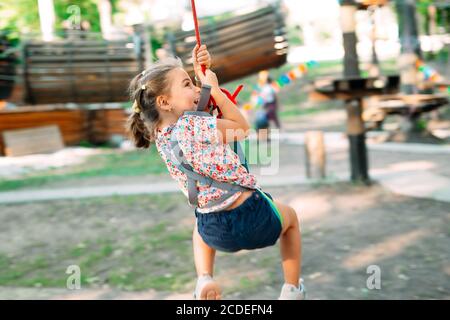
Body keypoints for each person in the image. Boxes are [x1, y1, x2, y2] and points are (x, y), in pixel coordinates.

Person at [126, 45, 305, 300]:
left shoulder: (160, 136)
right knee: (292, 220)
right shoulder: (194, 124)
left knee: (197, 229)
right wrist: (217, 92)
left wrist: (203, 74)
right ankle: (292, 289)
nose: (197, 89)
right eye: (187, 84)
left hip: (214, 230)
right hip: (254, 215)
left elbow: (197, 109)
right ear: (164, 101)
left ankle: (204, 278)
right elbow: (241, 128)